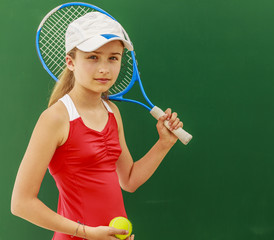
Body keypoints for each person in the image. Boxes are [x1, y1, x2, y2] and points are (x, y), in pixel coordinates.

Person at [11, 12, 183, 240]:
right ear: (70, 62)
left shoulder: (112, 112)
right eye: (93, 57)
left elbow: (129, 181)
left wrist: (164, 143)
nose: (105, 68)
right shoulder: (55, 118)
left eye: (113, 58)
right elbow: (21, 204)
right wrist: (88, 233)